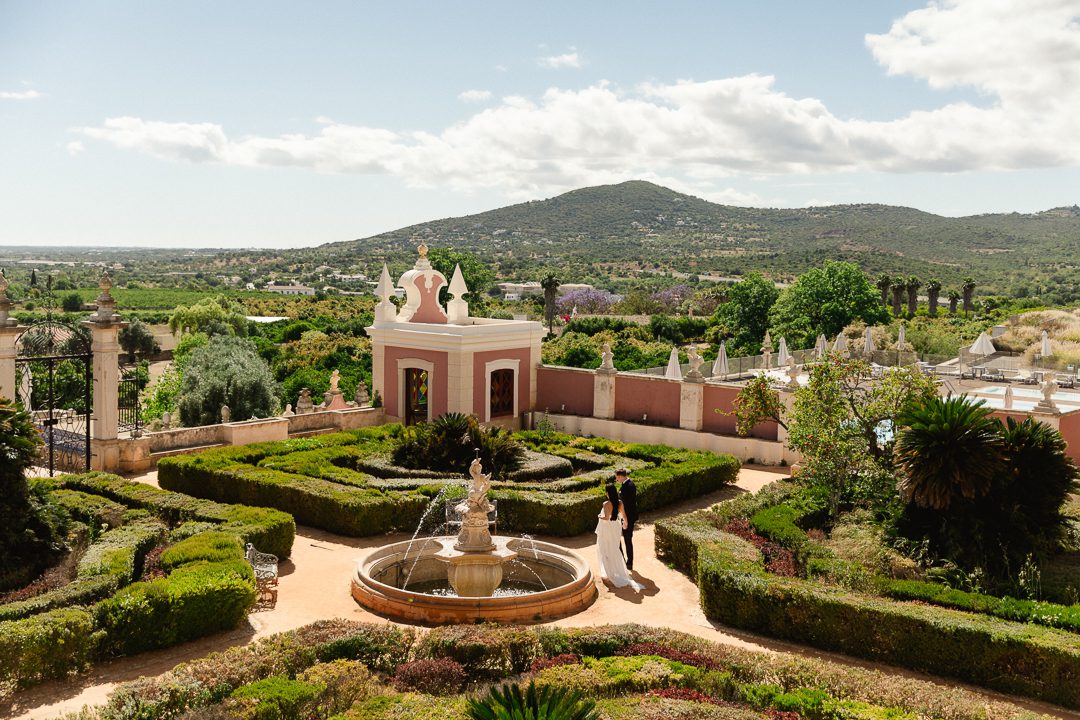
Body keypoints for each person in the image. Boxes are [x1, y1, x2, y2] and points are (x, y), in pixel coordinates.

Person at [595, 484, 642, 590]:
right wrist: (625, 524)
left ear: (607, 493)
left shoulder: (606, 503)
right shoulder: (620, 502)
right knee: (615, 548)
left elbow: (606, 518)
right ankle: (618, 571)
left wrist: (599, 516)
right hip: (616, 527)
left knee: (605, 549)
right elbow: (624, 515)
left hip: (607, 529)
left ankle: (610, 572)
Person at [615, 468, 638, 571]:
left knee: (627, 539)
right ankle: (625, 561)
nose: (616, 479)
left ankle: (629, 562)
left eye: (617, 477)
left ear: (621, 476)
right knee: (624, 539)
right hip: (625, 516)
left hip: (627, 517)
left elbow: (628, 504)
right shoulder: (626, 485)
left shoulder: (629, 486)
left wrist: (625, 520)